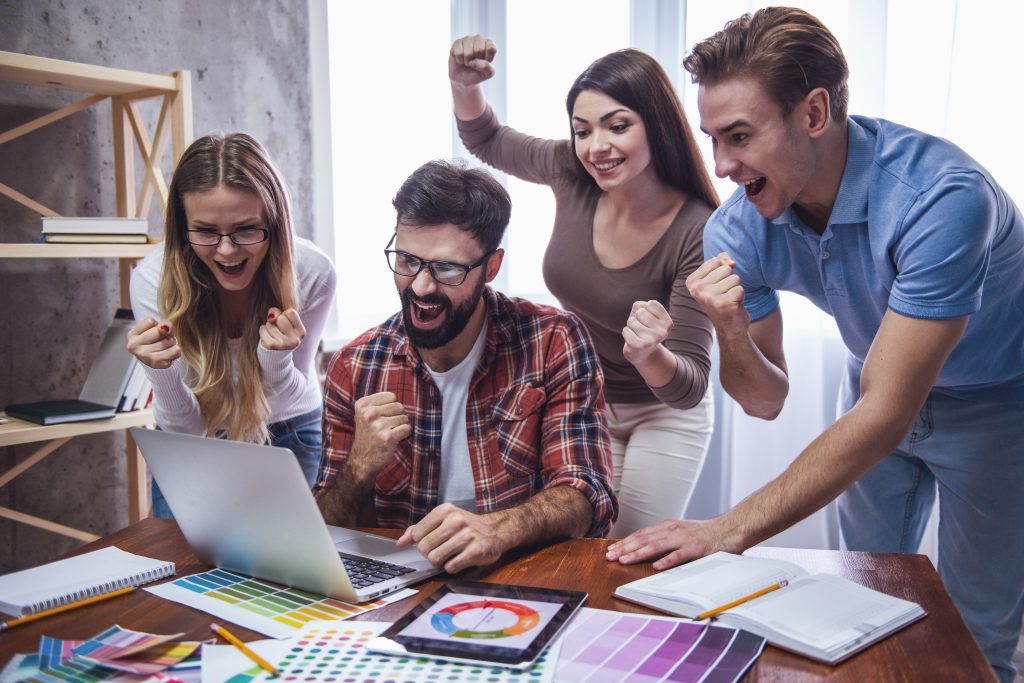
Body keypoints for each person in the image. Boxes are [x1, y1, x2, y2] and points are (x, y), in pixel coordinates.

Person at [604, 7, 1024, 680]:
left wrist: (730, 527)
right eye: (713, 138)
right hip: (872, 381)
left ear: (815, 113)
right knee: (863, 606)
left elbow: (886, 413)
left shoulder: (943, 199)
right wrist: (732, 331)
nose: (723, 165)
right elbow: (766, 399)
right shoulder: (738, 228)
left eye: (739, 135)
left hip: (997, 404)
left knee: (976, 631)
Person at [448, 36, 719, 537]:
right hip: (585, 399)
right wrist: (464, 85)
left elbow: (689, 386)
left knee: (626, 554)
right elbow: (487, 139)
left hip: (663, 413)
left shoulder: (698, 228)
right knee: (578, 545)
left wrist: (647, 353)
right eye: (582, 130)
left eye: (618, 126)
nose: (597, 147)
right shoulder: (571, 172)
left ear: (655, 125)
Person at [314, 159, 617, 574]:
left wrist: (498, 530)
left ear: (491, 267)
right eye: (406, 260)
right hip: (398, 589)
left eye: (446, 269)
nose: (421, 287)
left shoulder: (553, 340)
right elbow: (326, 532)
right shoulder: (356, 365)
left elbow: (588, 494)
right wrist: (358, 469)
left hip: (519, 574)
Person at [129, 133, 337, 517]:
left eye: (246, 229)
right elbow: (184, 429)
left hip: (287, 429)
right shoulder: (152, 280)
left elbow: (290, 396)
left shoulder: (313, 272)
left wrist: (275, 361)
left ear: (273, 222)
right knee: (180, 567)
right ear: (181, 227)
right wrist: (160, 374)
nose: (226, 251)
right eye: (206, 231)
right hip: (188, 440)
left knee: (294, 568)